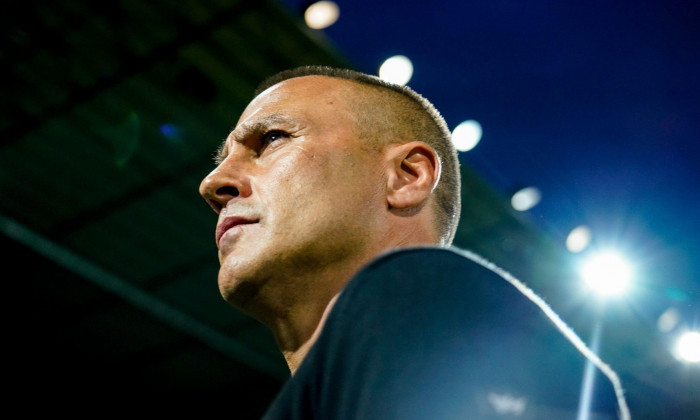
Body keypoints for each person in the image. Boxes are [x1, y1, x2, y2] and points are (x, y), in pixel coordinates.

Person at [198, 65, 630, 419]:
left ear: (408, 176)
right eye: (223, 160)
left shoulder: (425, 291)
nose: (213, 183)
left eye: (271, 139)